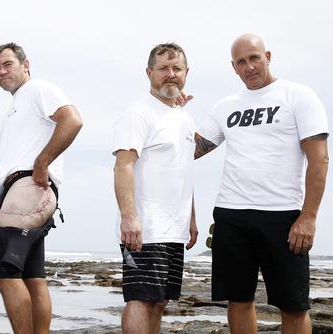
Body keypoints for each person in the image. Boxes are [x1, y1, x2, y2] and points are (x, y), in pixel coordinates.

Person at [195, 34, 329, 334]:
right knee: (238, 300)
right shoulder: (225, 106)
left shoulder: (298, 96)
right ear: (234, 67)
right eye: (241, 62)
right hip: (231, 215)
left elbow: (319, 161)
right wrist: (171, 110)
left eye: (254, 58)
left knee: (294, 306)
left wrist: (308, 217)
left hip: (283, 217)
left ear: (267, 56)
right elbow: (190, 150)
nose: (249, 67)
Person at [0, 42, 83, 334]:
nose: (2, 71)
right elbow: (8, 155)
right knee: (33, 277)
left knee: (4, 273)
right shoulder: (11, 110)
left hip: (30, 186)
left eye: (8, 64)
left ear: (25, 64)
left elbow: (72, 120)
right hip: (19, 192)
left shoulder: (38, 89)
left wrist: (43, 162)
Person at [112, 43, 198, 334]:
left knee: (159, 300)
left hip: (174, 228)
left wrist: (192, 219)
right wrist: (129, 217)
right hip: (145, 227)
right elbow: (123, 166)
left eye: (177, 69)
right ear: (149, 73)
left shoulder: (184, 117)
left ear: (186, 73)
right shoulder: (139, 113)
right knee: (141, 299)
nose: (170, 74)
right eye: (163, 69)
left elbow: (184, 170)